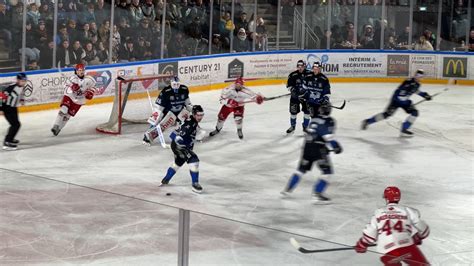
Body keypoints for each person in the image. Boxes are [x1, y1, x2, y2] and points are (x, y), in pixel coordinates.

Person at [281, 103, 342, 203]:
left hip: (307, 147)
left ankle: (287, 190)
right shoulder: (329, 121)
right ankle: (317, 195)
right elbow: (328, 137)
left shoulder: (314, 119)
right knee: (327, 172)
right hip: (318, 149)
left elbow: (315, 135)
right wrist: (336, 147)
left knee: (300, 170)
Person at [355, 186, 430, 266]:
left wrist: (362, 244)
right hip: (406, 247)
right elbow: (425, 230)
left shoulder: (379, 212)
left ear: (386, 198)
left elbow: (370, 235)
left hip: (387, 251)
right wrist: (417, 238)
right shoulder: (407, 210)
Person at [361, 69, 432, 137]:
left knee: (415, 112)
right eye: (417, 75)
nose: (418, 77)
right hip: (396, 100)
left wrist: (425, 95)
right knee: (386, 115)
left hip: (405, 102)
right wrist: (407, 97)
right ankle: (367, 121)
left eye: (420, 76)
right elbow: (401, 92)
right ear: (415, 75)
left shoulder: (417, 84)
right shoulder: (408, 82)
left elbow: (416, 91)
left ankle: (404, 128)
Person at [161, 105, 205, 193]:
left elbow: (172, 134)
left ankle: (166, 179)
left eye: (201, 115)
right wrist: (180, 142)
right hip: (180, 146)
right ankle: (195, 184)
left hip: (178, 145)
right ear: (194, 114)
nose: (200, 117)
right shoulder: (190, 123)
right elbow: (176, 136)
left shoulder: (190, 121)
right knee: (193, 159)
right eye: (198, 115)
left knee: (178, 162)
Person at [143, 76, 193, 145]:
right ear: (171, 84)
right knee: (162, 125)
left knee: (190, 121)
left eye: (178, 84)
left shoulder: (184, 89)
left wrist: (192, 111)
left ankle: (176, 136)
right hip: (168, 113)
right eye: (174, 84)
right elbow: (159, 108)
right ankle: (147, 136)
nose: (176, 86)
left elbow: (188, 104)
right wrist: (157, 119)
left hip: (180, 111)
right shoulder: (165, 92)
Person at [51, 64, 96, 136]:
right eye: (79, 70)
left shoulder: (90, 79)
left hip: (79, 100)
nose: (80, 72)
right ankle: (56, 125)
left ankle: (59, 129)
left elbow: (93, 87)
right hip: (70, 96)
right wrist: (72, 88)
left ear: (84, 71)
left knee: (68, 116)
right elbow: (65, 86)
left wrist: (90, 93)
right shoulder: (73, 79)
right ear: (76, 71)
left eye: (82, 70)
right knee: (64, 109)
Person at [0, 73, 29, 150]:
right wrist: (1, 109)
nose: (24, 82)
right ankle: (7, 142)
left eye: (25, 81)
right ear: (18, 80)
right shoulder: (11, 87)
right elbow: (1, 97)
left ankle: (10, 138)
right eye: (22, 80)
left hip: (13, 108)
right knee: (15, 125)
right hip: (7, 108)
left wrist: (22, 100)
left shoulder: (21, 87)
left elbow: (21, 94)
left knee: (15, 124)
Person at [286, 60, 310, 134]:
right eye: (298, 66)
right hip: (295, 98)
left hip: (306, 98)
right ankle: (292, 126)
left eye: (301, 66)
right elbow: (289, 85)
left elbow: (313, 85)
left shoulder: (310, 74)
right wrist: (293, 91)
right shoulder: (293, 75)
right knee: (293, 113)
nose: (300, 68)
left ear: (304, 66)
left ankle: (305, 127)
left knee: (307, 112)